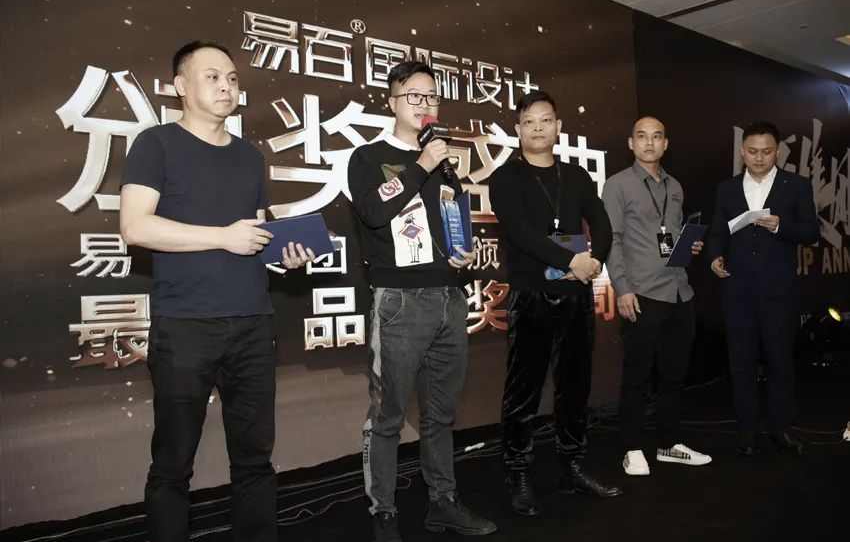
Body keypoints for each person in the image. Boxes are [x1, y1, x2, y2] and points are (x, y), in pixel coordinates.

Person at [119, 41, 313, 542]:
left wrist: (285, 256)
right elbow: (135, 227)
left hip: (253, 323)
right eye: (212, 77)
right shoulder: (155, 144)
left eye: (232, 78)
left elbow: (257, 233)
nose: (226, 86)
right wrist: (222, 237)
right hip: (185, 327)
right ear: (181, 86)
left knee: (255, 461)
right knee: (172, 465)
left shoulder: (250, 156)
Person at [347, 60, 497, 542]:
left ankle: (443, 502)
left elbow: (450, 220)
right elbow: (374, 211)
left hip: (450, 298)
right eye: (414, 95)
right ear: (392, 101)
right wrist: (423, 164)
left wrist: (463, 251)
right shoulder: (369, 157)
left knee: (441, 414)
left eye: (432, 96)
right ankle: (384, 511)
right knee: (388, 415)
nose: (425, 104)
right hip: (399, 301)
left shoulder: (446, 163)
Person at [488, 90, 622, 517]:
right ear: (518, 129)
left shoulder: (576, 176)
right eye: (529, 122)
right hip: (531, 295)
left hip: (577, 294)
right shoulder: (505, 178)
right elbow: (520, 232)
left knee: (575, 386)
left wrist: (594, 261)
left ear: (558, 127)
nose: (538, 128)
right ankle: (518, 474)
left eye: (545, 120)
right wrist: (571, 261)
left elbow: (601, 222)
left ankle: (572, 468)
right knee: (523, 391)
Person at [601, 116, 712, 476]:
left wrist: (688, 245)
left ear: (666, 144)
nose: (649, 143)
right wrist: (622, 288)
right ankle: (631, 447)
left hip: (679, 291)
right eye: (642, 136)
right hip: (642, 292)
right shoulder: (617, 185)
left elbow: (671, 233)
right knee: (637, 377)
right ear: (631, 143)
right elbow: (611, 240)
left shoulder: (675, 186)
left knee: (674, 376)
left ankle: (669, 443)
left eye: (657, 137)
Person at [707, 122, 819, 456]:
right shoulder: (726, 188)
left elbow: (811, 232)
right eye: (753, 151)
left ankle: (780, 428)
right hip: (737, 289)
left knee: (780, 360)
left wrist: (782, 226)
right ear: (742, 151)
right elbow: (717, 232)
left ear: (777, 151)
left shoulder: (796, 185)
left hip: (778, 290)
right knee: (740, 363)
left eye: (766, 151)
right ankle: (747, 431)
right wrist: (714, 257)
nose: (759, 157)